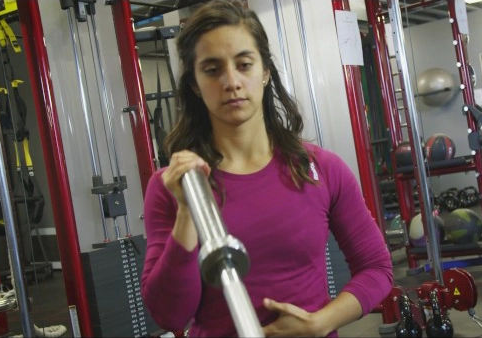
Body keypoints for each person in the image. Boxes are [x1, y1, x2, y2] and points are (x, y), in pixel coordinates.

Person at [140, 1, 393, 337]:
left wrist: (323, 321)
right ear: (194, 84)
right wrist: (188, 211)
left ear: (265, 71)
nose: (232, 81)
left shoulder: (320, 169)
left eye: (244, 64)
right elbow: (169, 315)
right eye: (212, 70)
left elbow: (377, 268)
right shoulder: (174, 185)